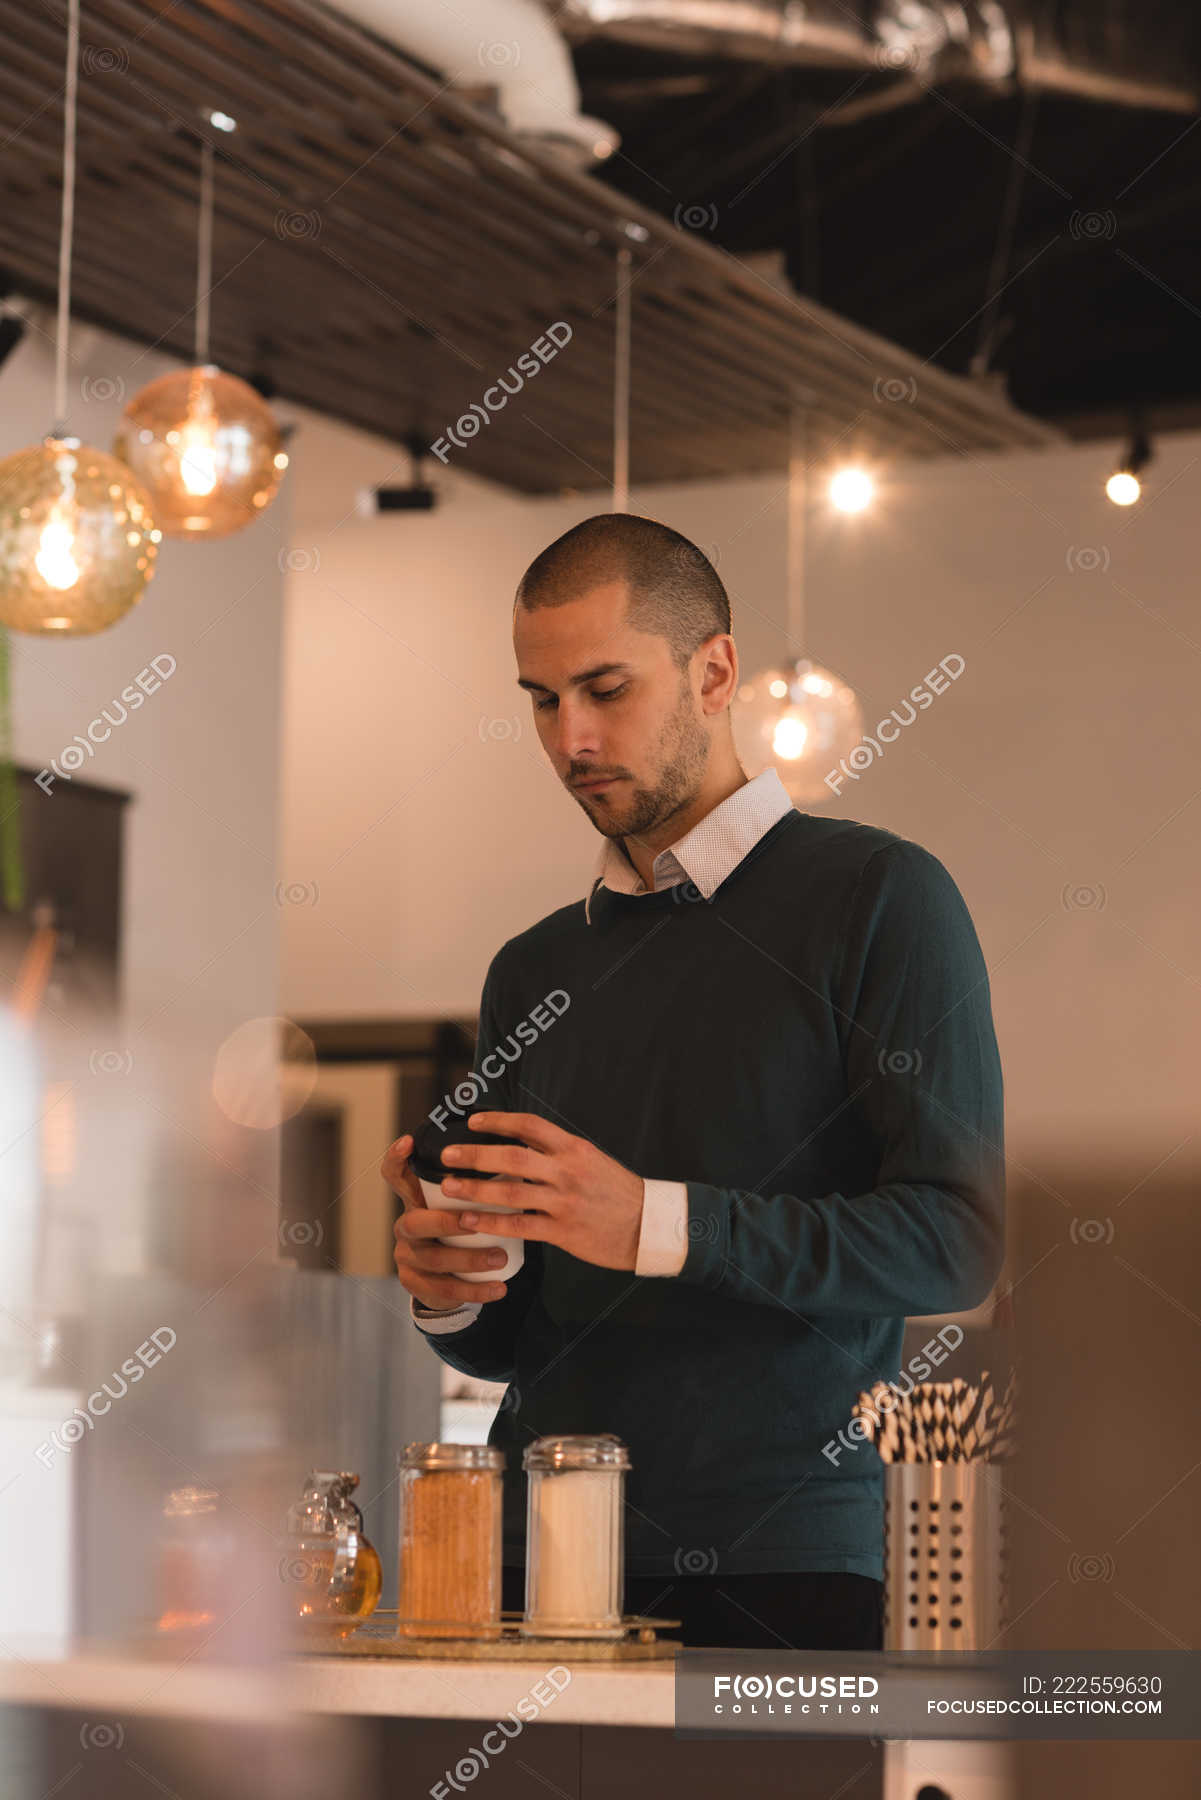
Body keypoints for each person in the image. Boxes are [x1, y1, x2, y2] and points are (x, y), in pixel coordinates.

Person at [384, 513, 1005, 1650]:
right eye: (539, 696)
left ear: (714, 670)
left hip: (783, 1563)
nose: (570, 736)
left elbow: (953, 1242)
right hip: (530, 1557)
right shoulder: (532, 966)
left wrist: (655, 1223)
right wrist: (456, 1284)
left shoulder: (879, 896)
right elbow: (516, 1338)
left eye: (605, 687)